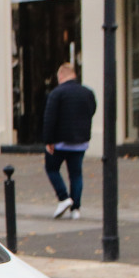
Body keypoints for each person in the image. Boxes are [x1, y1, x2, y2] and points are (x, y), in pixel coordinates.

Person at [42, 62, 97, 220]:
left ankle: (63, 197)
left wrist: (48, 140)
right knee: (76, 174)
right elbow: (92, 110)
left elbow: (49, 118)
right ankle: (76, 209)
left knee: (52, 168)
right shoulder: (87, 93)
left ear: (61, 75)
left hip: (60, 141)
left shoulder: (57, 93)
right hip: (80, 141)